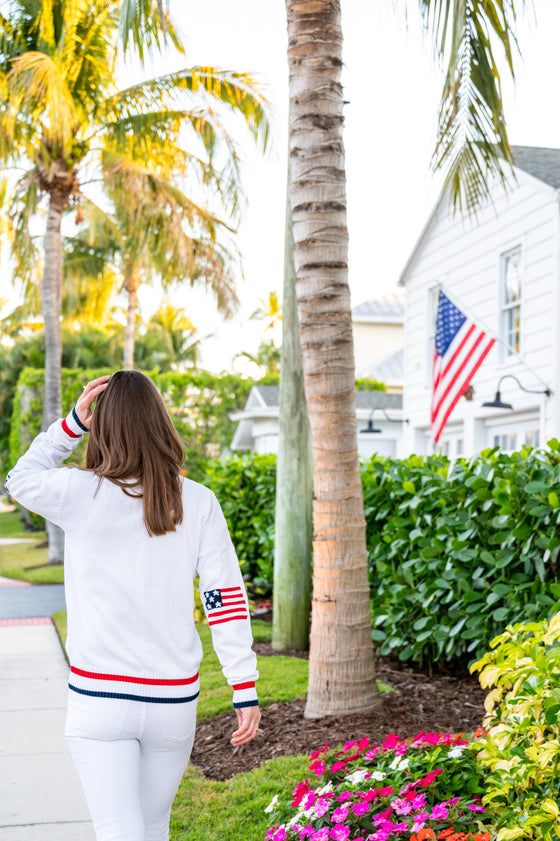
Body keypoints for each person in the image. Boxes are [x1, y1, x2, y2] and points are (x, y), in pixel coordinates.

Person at [5, 371, 261, 841]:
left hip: (99, 701)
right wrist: (242, 684)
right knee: (151, 829)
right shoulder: (199, 502)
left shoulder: (77, 493)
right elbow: (222, 598)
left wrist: (71, 425)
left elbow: (18, 479)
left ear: (105, 428)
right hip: (173, 701)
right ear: (160, 423)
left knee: (120, 832)